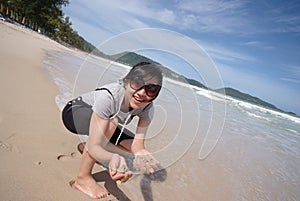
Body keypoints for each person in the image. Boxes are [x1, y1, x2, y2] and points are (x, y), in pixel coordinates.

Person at [62, 62, 163, 199]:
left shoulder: (148, 108)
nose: (141, 93)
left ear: (156, 94)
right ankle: (83, 178)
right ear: (127, 81)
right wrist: (114, 157)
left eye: (150, 89)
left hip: (106, 123)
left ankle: (87, 148)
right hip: (74, 112)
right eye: (137, 83)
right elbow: (105, 129)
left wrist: (141, 153)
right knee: (111, 123)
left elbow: (138, 145)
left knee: (131, 147)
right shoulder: (110, 96)